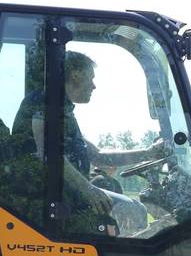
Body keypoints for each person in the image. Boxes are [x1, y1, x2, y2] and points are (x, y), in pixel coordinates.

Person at [12, 50, 167, 226]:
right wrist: (88, 189)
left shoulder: (63, 110)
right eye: (91, 78)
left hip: (62, 194)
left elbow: (99, 156)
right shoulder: (47, 102)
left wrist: (148, 153)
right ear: (76, 74)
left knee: (113, 190)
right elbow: (48, 152)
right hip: (47, 198)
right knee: (134, 209)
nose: (94, 86)